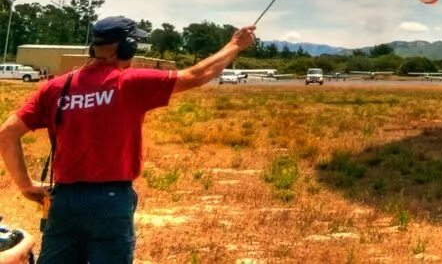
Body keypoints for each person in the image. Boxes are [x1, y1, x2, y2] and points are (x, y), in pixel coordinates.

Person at [0, 16, 257, 264]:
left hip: (65, 200)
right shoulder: (129, 82)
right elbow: (197, 75)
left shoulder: (57, 87)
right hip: (111, 201)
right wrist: (234, 45)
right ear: (127, 47)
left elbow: (6, 133)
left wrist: (26, 185)